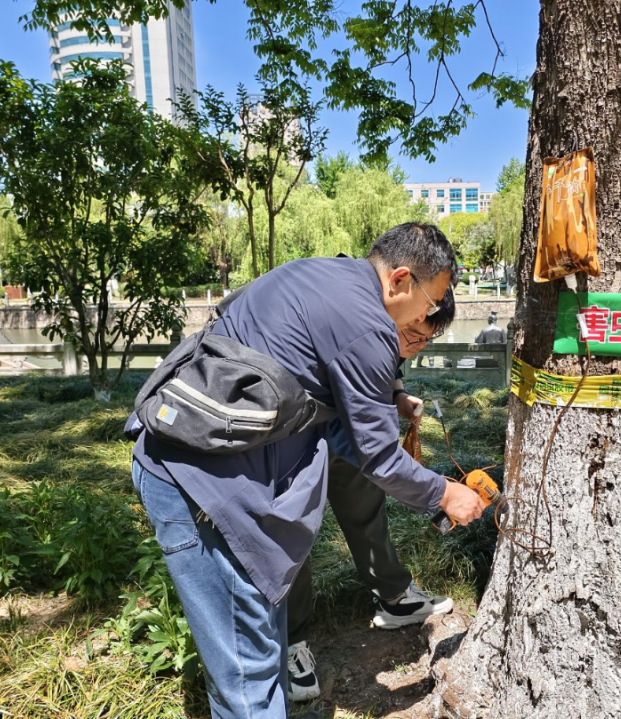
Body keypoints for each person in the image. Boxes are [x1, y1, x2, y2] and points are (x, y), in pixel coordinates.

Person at [128, 223, 485, 719]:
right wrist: (445, 495)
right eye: (431, 302)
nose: (429, 315)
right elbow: (379, 456)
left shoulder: (321, 275)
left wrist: (383, 399)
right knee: (250, 682)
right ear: (400, 280)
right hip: (202, 492)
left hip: (197, 463)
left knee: (259, 652)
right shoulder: (369, 325)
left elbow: (316, 395)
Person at [286, 290, 455, 702]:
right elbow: (377, 452)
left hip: (348, 430)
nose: (415, 346)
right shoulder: (350, 316)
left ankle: (395, 598)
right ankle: (288, 642)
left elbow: (386, 375)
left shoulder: (397, 316)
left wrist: (397, 393)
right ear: (401, 290)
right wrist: (442, 496)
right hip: (297, 429)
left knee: (365, 504)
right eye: (415, 336)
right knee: (292, 530)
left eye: (425, 342)